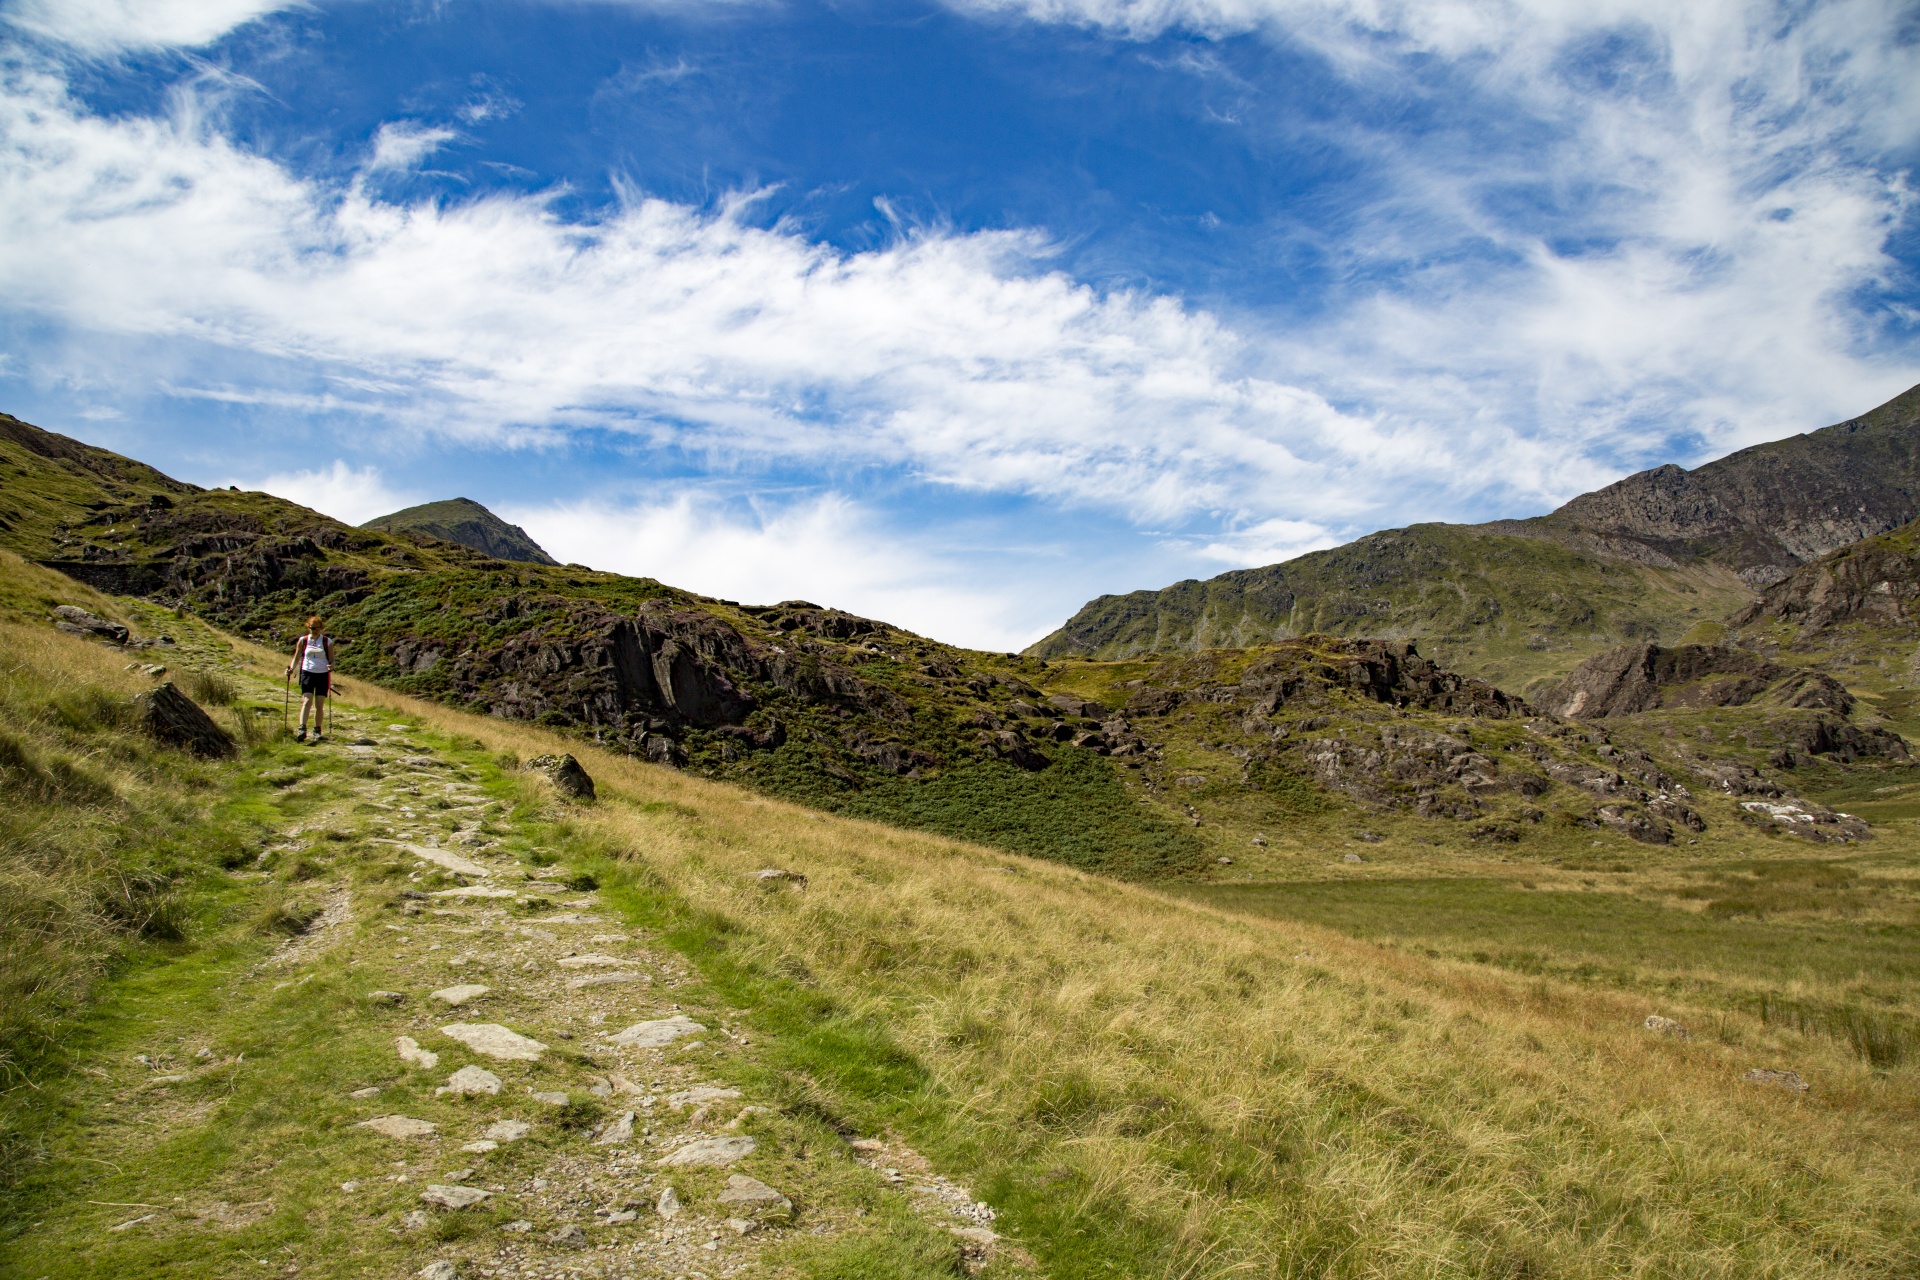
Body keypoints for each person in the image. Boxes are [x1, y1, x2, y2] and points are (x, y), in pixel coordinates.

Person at [288, 616, 335, 742]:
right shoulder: (303, 640)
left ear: (321, 628)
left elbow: (332, 659)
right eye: (311, 628)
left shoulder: (327, 641)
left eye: (316, 628)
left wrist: (331, 666)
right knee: (307, 701)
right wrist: (291, 668)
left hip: (322, 674)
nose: (313, 630)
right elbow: (297, 657)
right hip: (307, 673)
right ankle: (302, 729)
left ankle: (317, 730)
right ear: (308, 627)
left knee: (319, 704)